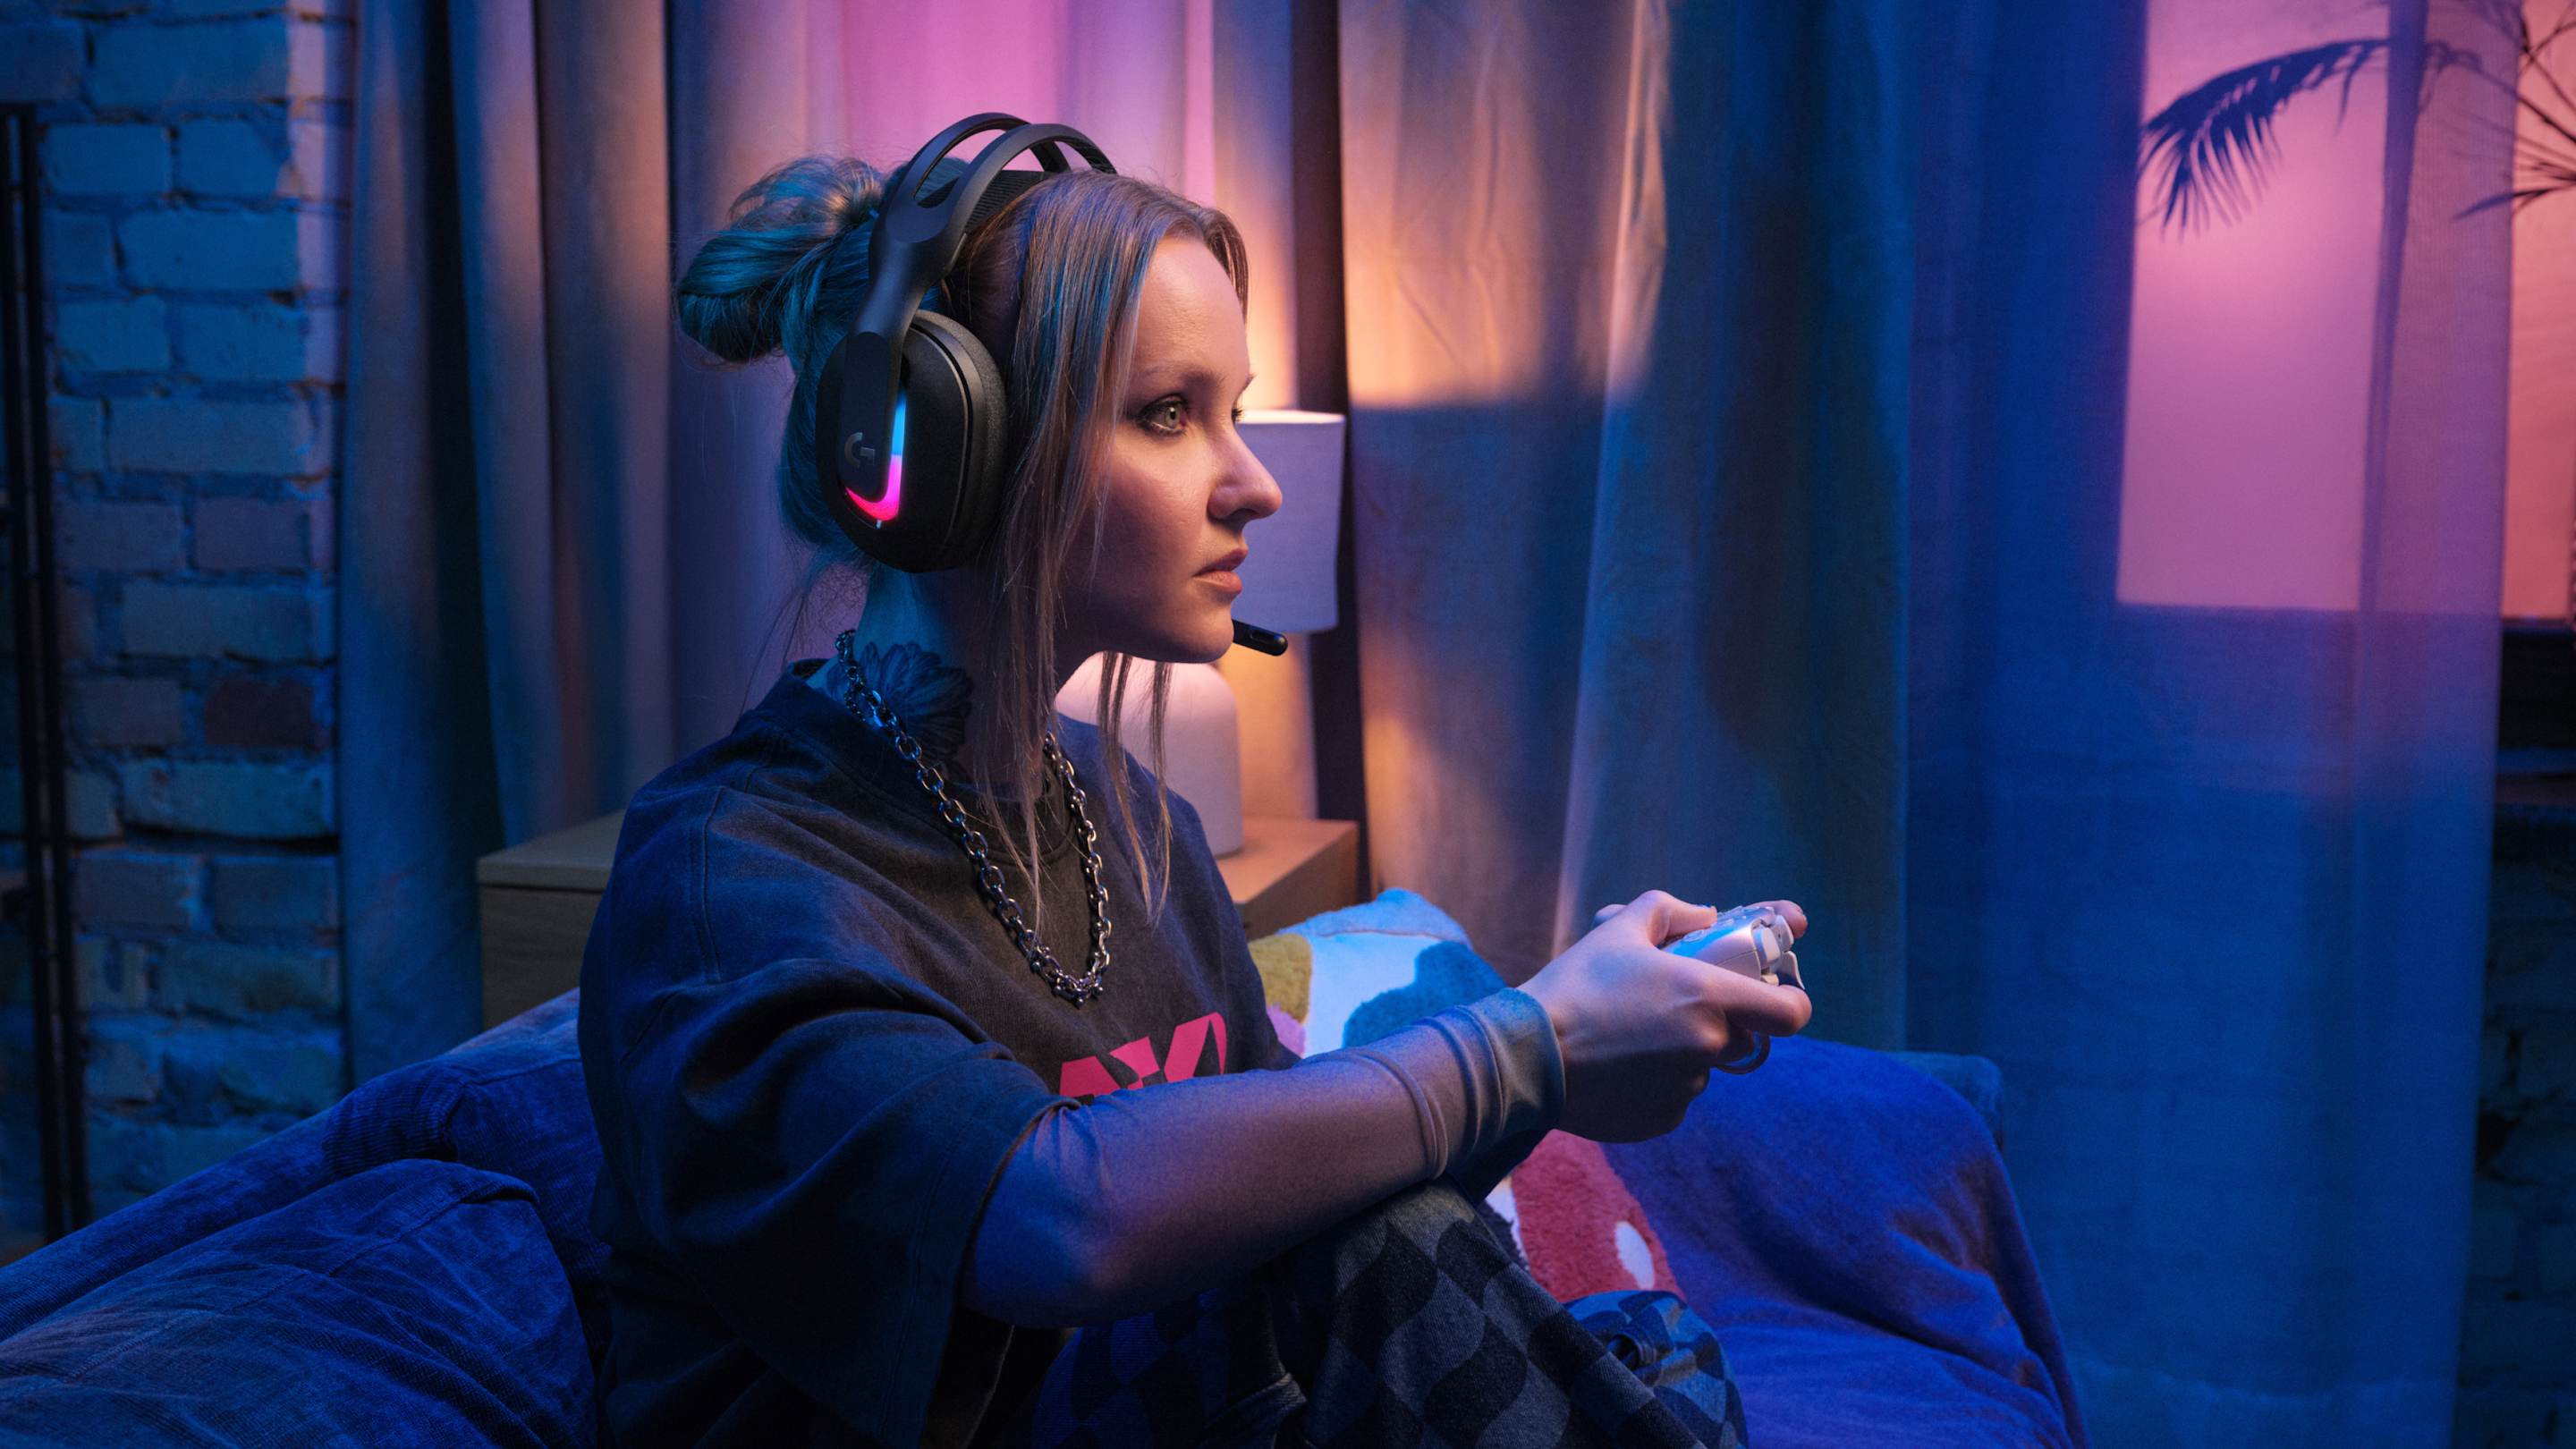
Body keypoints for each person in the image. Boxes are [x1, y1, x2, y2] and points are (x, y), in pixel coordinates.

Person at [575, 150, 1816, 1449]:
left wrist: (1553, 1079)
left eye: (1236, 410)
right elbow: (1066, 1223)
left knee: (1615, 1340)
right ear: (936, 449)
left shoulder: (1132, 817)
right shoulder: (731, 883)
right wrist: (1529, 1046)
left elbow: (1275, 1211)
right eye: (1170, 413)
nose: (1256, 486)